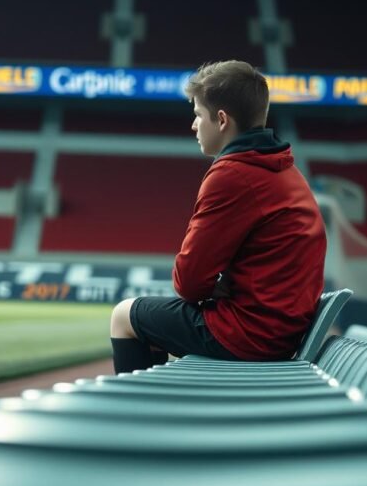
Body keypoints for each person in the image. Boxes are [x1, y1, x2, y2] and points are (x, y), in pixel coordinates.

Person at [109, 60, 327, 374]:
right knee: (155, 320)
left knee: (123, 315)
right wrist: (219, 283)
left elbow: (188, 283)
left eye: (198, 114)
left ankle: (135, 408)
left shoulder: (232, 174)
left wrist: (215, 284)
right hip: (281, 331)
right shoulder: (284, 168)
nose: (193, 125)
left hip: (251, 335)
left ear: (222, 120)